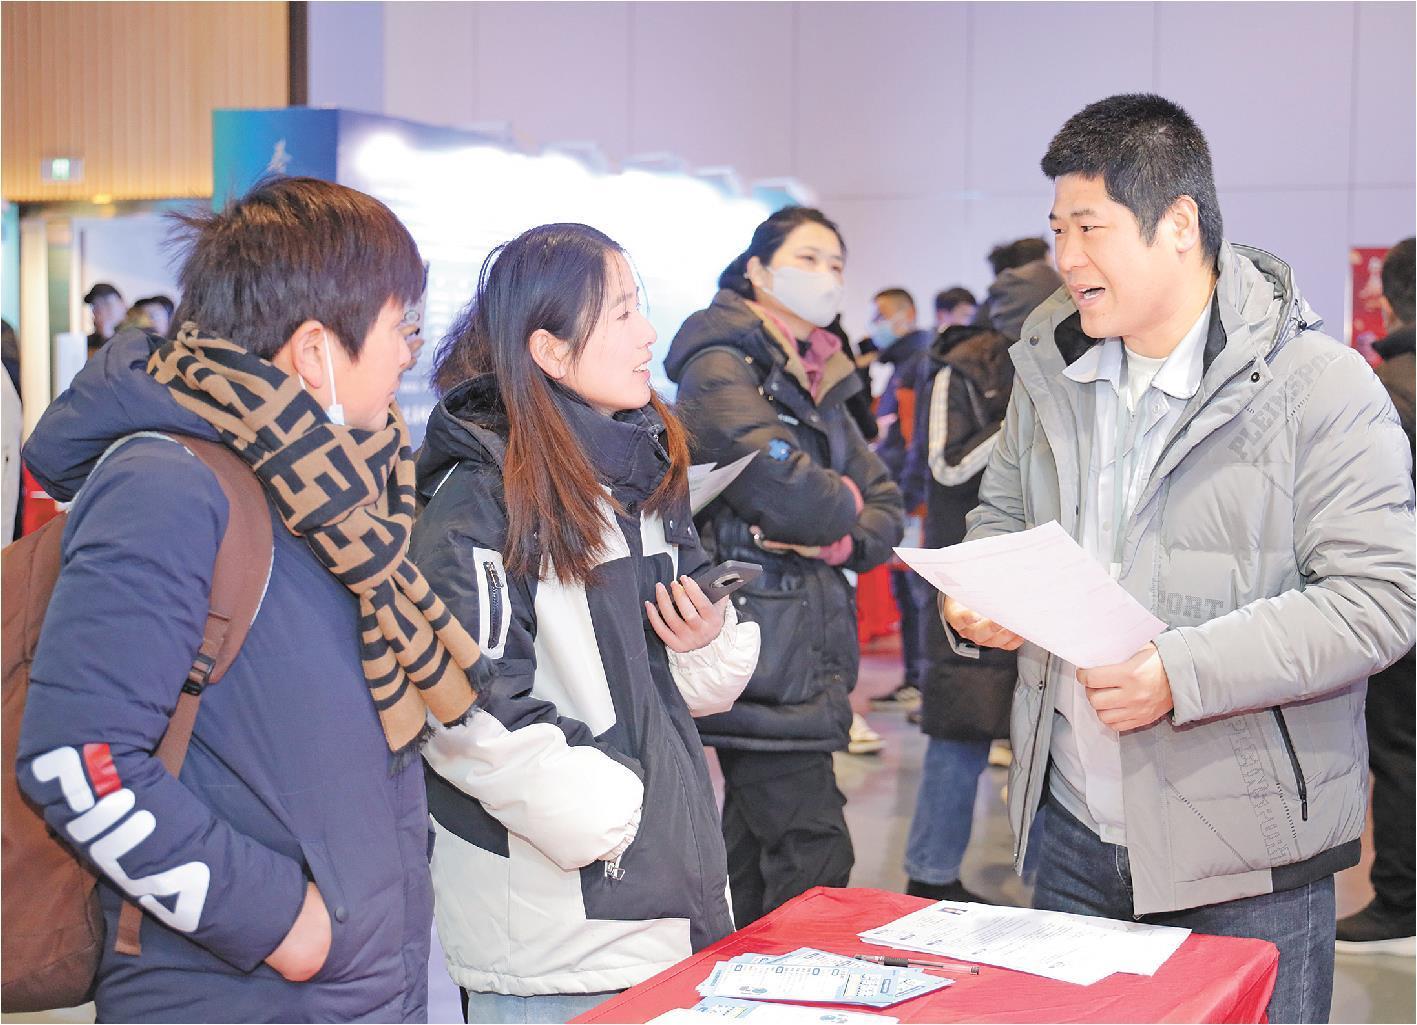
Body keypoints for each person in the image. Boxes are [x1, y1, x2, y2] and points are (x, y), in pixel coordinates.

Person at [941, 94, 1415, 1024]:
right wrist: (979, 594)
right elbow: (998, 516)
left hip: (1243, 847)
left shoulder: (1318, 386)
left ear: (1178, 224)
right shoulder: (1052, 373)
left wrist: (1179, 673)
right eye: (1055, 229)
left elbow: (1380, 599)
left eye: (1089, 227)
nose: (1065, 257)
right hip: (1073, 825)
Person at [17, 176, 482, 1022]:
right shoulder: (167, 485)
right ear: (312, 350)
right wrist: (278, 919)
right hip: (231, 994)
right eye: (398, 324)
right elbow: (76, 758)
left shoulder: (334, 499)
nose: (410, 351)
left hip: (359, 987)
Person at [409, 223, 760, 1023]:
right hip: (555, 928)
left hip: (663, 896)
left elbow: (675, 658)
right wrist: (611, 811)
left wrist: (703, 642)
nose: (648, 336)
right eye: (623, 314)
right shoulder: (479, 497)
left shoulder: (637, 466)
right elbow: (462, 707)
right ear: (550, 350)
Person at [665, 205, 905, 926]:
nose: (826, 276)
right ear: (757, 269)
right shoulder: (719, 364)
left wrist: (841, 532)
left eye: (835, 263)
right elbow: (801, 498)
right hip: (760, 647)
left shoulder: (821, 368)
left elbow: (882, 505)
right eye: (807, 259)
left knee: (751, 859)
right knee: (814, 859)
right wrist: (836, 519)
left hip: (804, 642)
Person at [899, 250, 1061, 902]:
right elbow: (942, 464)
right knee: (961, 729)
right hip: (970, 569)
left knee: (1054, 736)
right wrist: (1022, 421)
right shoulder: (959, 367)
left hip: (1048, 572)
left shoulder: (1082, 363)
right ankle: (928, 874)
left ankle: (1057, 884)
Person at [1336, 235, 1416, 955]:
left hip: (1403, 604)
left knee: (1399, 748)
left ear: (1386, 298)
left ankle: (1399, 898)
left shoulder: (1384, 388)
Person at [868, 288, 936, 723]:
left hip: (914, 502)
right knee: (907, 595)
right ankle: (916, 680)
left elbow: (917, 439)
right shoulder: (900, 366)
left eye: (882, 314)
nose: (875, 322)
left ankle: (925, 683)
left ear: (906, 316)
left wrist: (909, 497)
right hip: (903, 495)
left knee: (919, 596)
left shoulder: (918, 364)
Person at [84, 282, 126, 359]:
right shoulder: (86, 342)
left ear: (122, 305)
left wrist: (107, 333)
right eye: (95, 306)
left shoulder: (138, 333)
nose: (100, 311)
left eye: (107, 304)